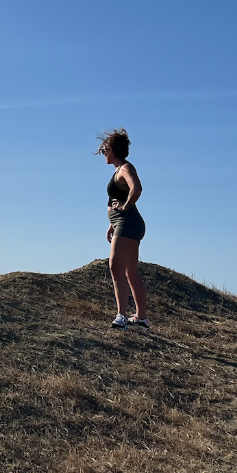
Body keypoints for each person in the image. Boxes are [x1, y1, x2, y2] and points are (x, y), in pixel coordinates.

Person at [96, 128, 149, 330]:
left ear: (112, 150)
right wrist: (112, 224)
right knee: (130, 271)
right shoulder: (119, 170)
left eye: (104, 151)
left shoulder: (126, 168)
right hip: (123, 223)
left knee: (115, 266)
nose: (103, 154)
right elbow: (117, 198)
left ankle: (122, 316)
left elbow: (137, 189)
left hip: (128, 223)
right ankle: (142, 319)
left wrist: (125, 207)